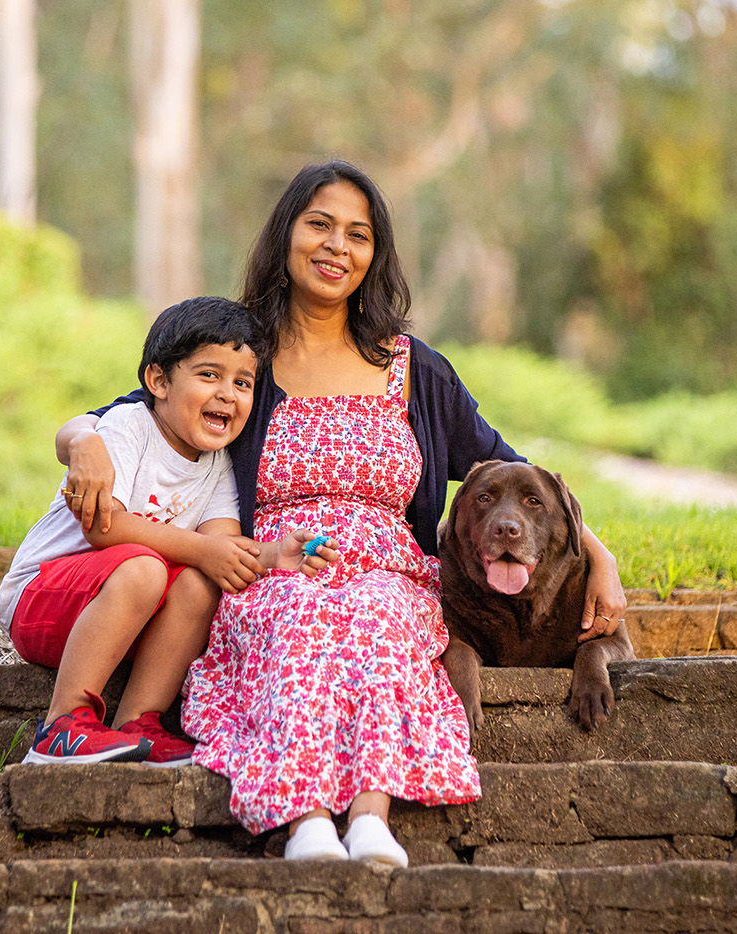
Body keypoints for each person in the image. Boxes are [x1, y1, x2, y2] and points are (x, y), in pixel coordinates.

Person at [58, 162, 628, 865]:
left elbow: (506, 465)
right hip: (273, 566)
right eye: (320, 225)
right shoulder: (246, 354)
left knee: (384, 624)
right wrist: (83, 440)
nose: (337, 247)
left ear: (375, 255)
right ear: (287, 235)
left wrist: (596, 554)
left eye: (358, 235)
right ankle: (304, 823)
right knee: (300, 621)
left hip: (392, 573)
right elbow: (146, 408)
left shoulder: (412, 366)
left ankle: (369, 818)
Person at [0, 296, 339, 769]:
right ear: (158, 380)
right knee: (145, 568)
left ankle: (139, 722)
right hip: (41, 604)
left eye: (243, 382)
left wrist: (273, 555)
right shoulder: (127, 427)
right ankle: (62, 725)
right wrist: (202, 549)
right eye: (209, 375)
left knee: (199, 582)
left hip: (126, 620)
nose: (227, 394)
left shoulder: (218, 465)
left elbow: (219, 550)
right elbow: (102, 527)